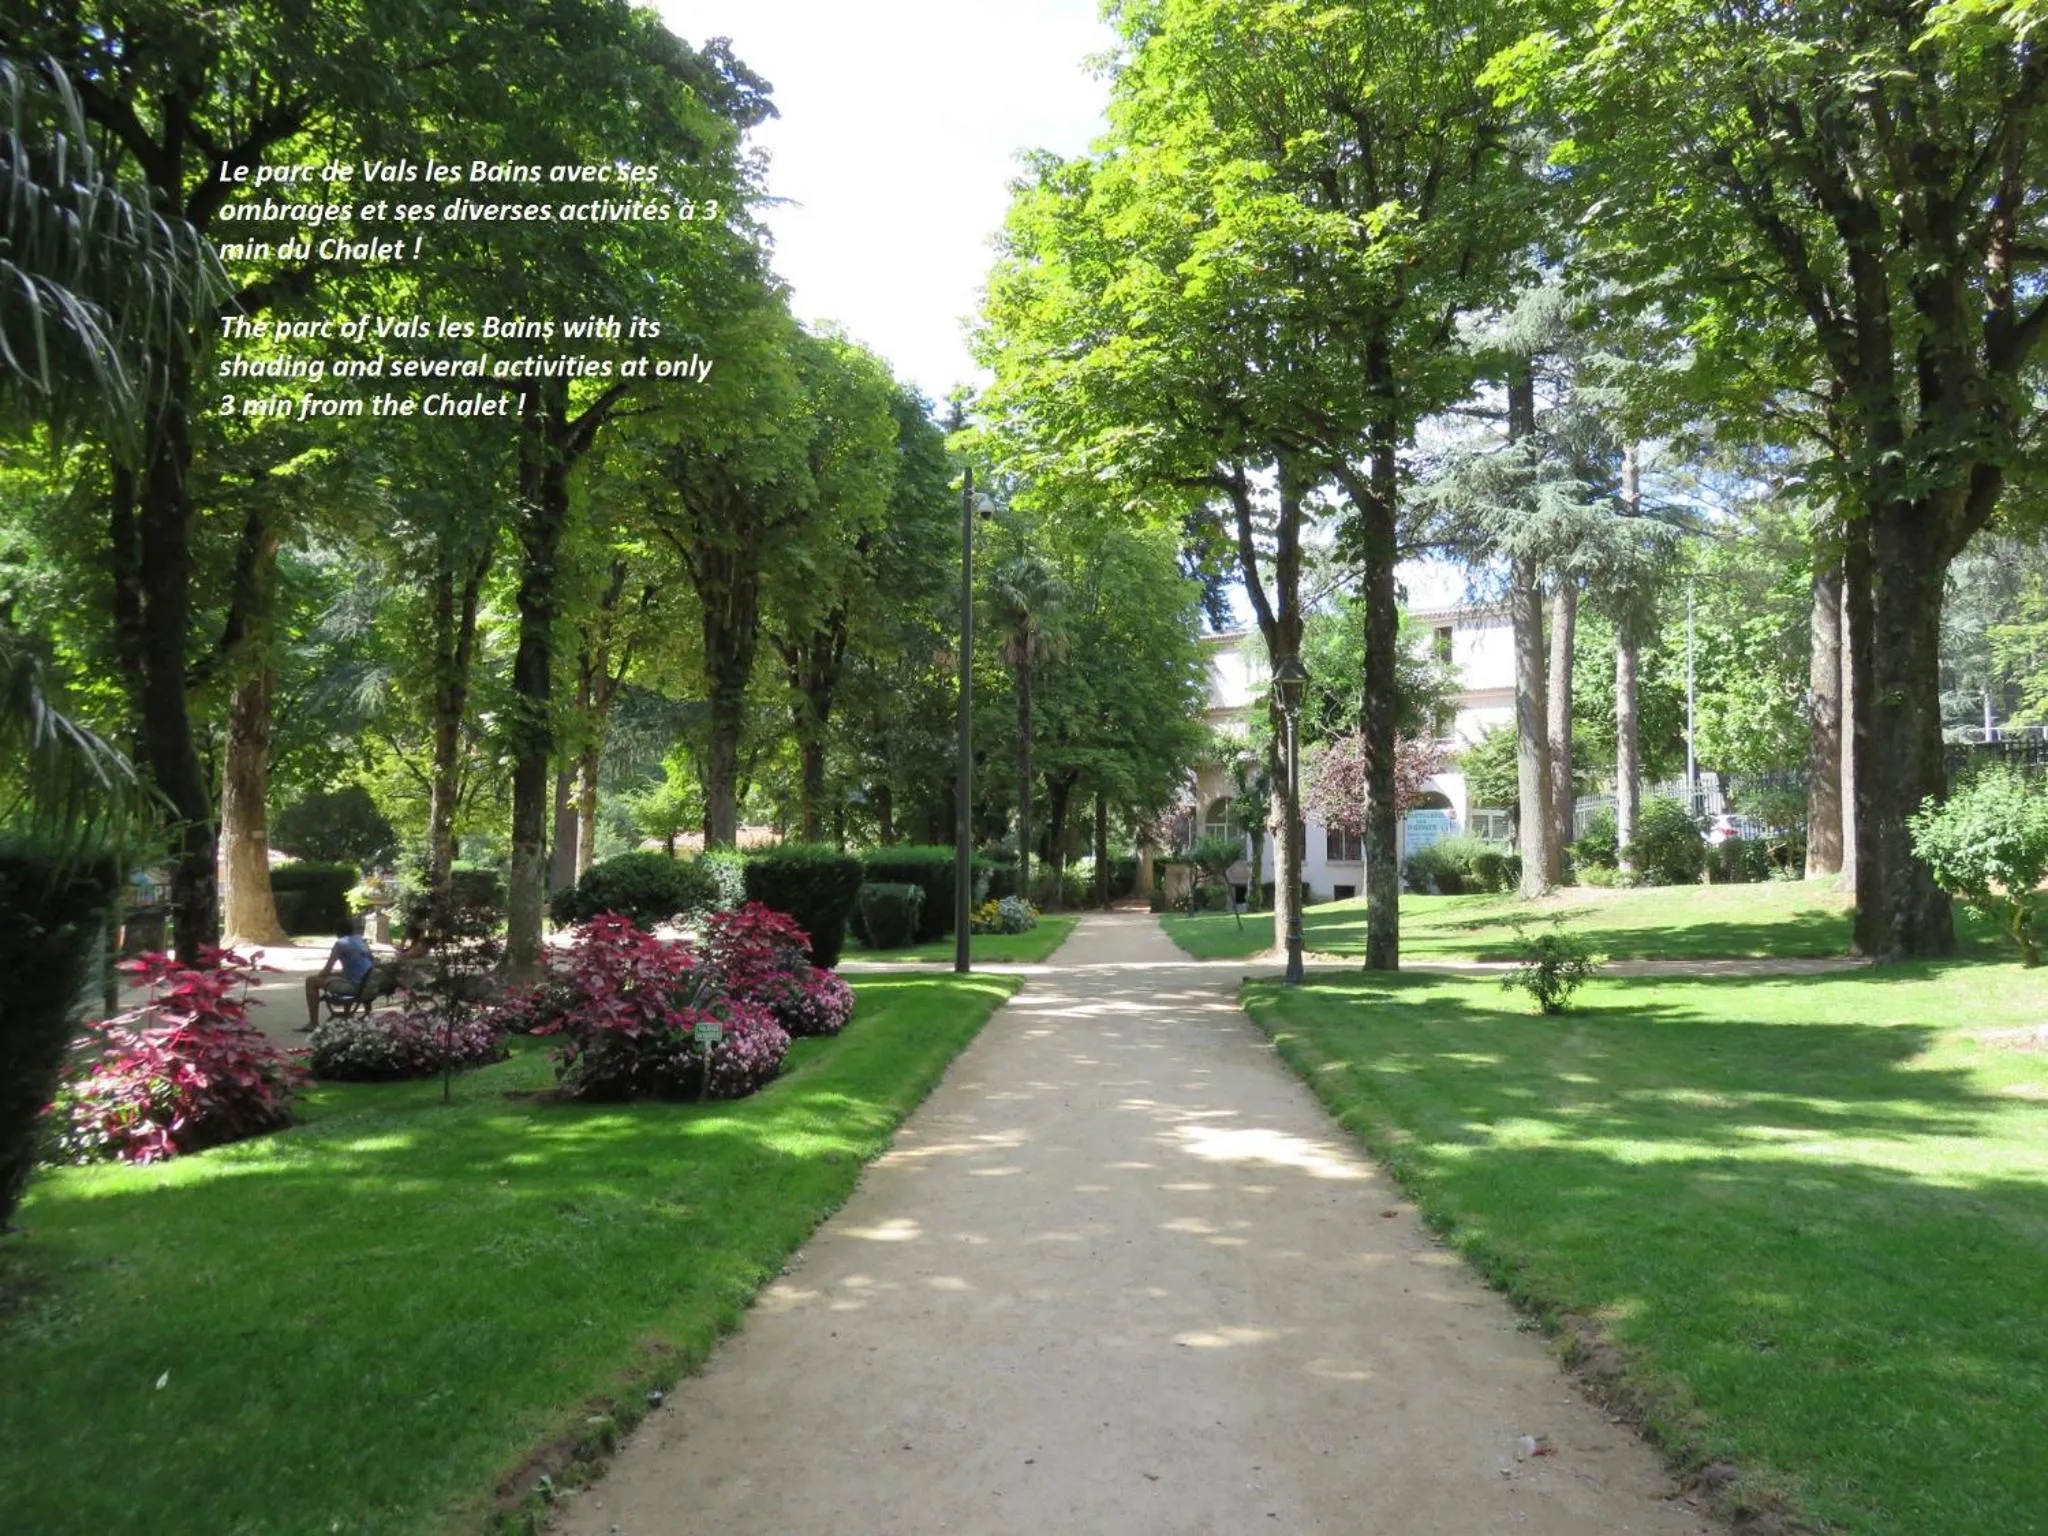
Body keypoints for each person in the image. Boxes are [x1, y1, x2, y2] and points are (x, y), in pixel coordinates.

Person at [305, 919, 377, 1029]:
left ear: (337, 932)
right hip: (369, 983)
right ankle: (363, 1013)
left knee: (311, 981)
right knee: (337, 974)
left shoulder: (340, 944)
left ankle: (313, 1023)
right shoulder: (361, 940)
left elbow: (327, 970)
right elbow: (371, 961)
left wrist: (320, 977)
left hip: (355, 987)